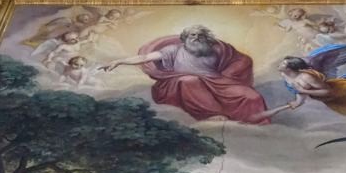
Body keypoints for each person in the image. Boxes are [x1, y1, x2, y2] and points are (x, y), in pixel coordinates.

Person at [101, 25, 268, 124]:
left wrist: (231, 72)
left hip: (217, 81)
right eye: (192, 35)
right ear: (185, 38)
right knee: (189, 81)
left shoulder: (216, 50)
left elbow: (240, 60)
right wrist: (120, 61)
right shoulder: (172, 50)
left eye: (200, 35)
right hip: (185, 83)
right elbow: (145, 58)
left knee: (251, 96)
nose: (196, 38)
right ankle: (211, 114)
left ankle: (254, 120)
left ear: (206, 38)